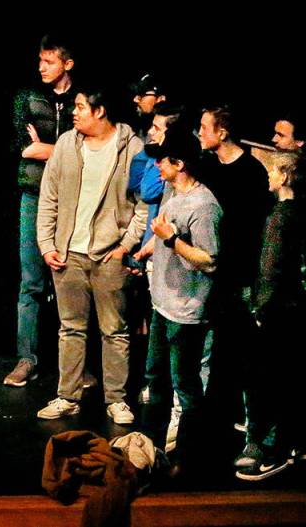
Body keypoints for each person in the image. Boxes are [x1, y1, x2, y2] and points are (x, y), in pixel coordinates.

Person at [35, 85, 148, 424]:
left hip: (109, 255)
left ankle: (117, 400)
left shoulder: (133, 148)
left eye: (81, 106)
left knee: (115, 331)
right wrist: (47, 245)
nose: (74, 112)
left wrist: (125, 247)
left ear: (100, 111)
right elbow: (48, 197)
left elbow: (143, 204)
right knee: (70, 329)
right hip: (69, 253)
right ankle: (67, 396)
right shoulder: (67, 145)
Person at [134, 123, 221, 475]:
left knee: (185, 385)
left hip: (186, 311)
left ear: (180, 164)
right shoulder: (172, 192)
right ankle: (150, 447)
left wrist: (171, 241)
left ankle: (187, 456)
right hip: (163, 303)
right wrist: (144, 252)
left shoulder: (204, 206)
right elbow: (162, 230)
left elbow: (210, 260)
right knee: (155, 377)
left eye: (163, 160)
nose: (157, 165)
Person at [194, 105, 272, 466]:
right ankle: (215, 431)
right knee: (217, 356)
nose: (200, 132)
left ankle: (255, 436)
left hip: (242, 278)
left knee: (247, 359)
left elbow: (254, 231)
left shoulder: (251, 172)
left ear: (222, 132)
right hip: (215, 277)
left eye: (204, 127)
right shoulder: (207, 167)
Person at [4, 34, 79, 387]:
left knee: (72, 281)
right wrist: (63, 150)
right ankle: (27, 358)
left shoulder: (82, 101)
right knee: (31, 281)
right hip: (34, 195)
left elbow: (88, 150)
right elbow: (24, 148)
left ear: (67, 63)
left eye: (49, 61)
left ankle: (77, 364)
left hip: (74, 198)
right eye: (40, 61)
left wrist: (49, 149)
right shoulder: (27, 98)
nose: (41, 67)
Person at [237, 153, 306, 480]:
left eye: (273, 170)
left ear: (284, 177)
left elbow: (270, 267)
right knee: (292, 377)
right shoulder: (304, 212)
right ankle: (297, 444)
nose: (268, 175)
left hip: (277, 310)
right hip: (298, 307)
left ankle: (271, 449)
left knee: (266, 380)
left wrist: (259, 308)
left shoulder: (279, 217)